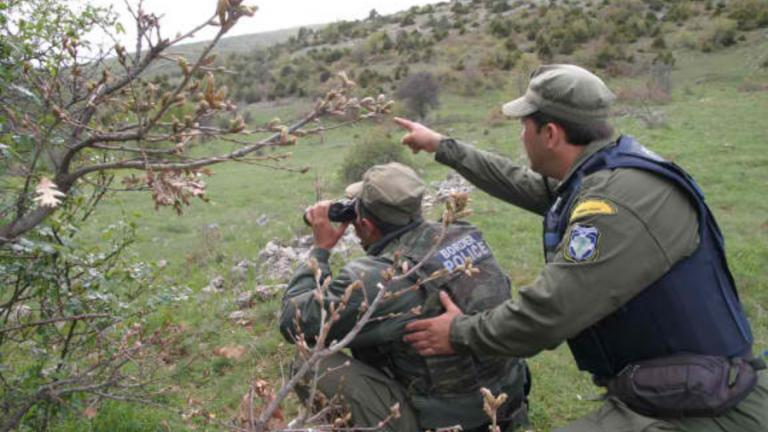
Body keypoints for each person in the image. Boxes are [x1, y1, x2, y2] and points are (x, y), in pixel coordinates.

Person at [394, 64, 767, 432]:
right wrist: (442, 146)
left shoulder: (615, 205)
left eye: (524, 126)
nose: (521, 136)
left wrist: (458, 333)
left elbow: (547, 314)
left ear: (550, 134)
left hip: (708, 405)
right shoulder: (606, 171)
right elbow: (522, 183)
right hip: (676, 387)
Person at [278, 162, 530, 432]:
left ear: (364, 224)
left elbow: (293, 322)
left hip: (450, 423)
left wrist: (320, 250)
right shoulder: (464, 234)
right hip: (505, 403)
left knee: (307, 363)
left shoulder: (379, 278)